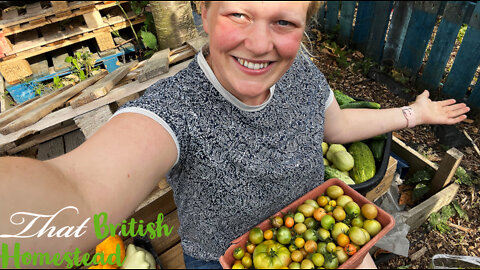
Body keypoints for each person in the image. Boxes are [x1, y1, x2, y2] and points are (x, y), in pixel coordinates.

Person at [0, 1, 470, 269]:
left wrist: (414, 113)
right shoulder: (173, 108)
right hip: (227, 258)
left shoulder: (302, 73)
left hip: (316, 228)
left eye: (283, 22)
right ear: (203, 12)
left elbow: (337, 126)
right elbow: (78, 191)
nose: (261, 44)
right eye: (238, 15)